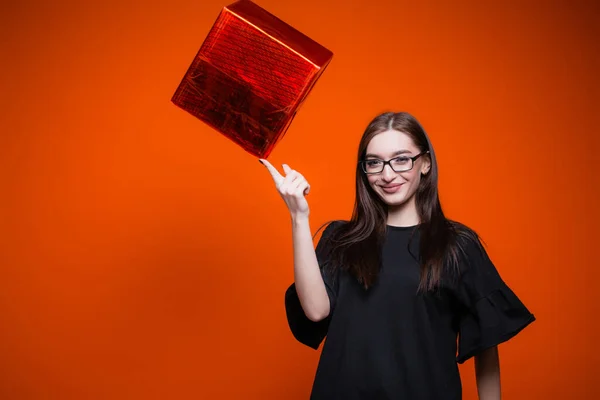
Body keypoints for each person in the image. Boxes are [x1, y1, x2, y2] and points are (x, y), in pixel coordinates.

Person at [259, 112, 535, 400]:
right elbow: (316, 311)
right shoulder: (341, 238)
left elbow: (486, 343)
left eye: (401, 159)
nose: (387, 174)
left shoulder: (457, 245)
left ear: (425, 163)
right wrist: (298, 217)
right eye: (374, 163)